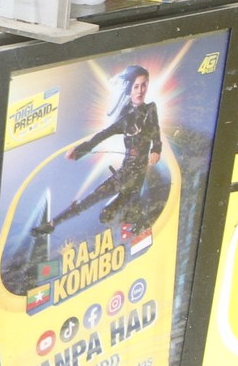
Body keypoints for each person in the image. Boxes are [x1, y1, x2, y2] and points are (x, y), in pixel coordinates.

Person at [37, 65, 165, 247]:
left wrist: (156, 150)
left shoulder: (150, 109)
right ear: (129, 88)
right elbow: (102, 135)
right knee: (94, 201)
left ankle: (131, 241)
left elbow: (156, 133)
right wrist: (80, 150)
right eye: (136, 86)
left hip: (136, 177)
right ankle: (52, 224)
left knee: (124, 215)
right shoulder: (125, 117)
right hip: (125, 174)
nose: (141, 90)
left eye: (144, 85)